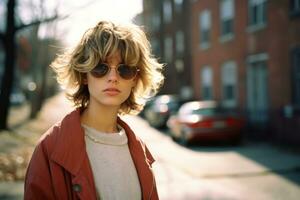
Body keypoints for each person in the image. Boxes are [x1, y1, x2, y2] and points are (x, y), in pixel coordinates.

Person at [24, 20, 164, 200]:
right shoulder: (50, 149)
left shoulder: (140, 151)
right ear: (84, 75)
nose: (113, 77)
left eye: (125, 69)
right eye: (101, 67)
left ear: (135, 79)